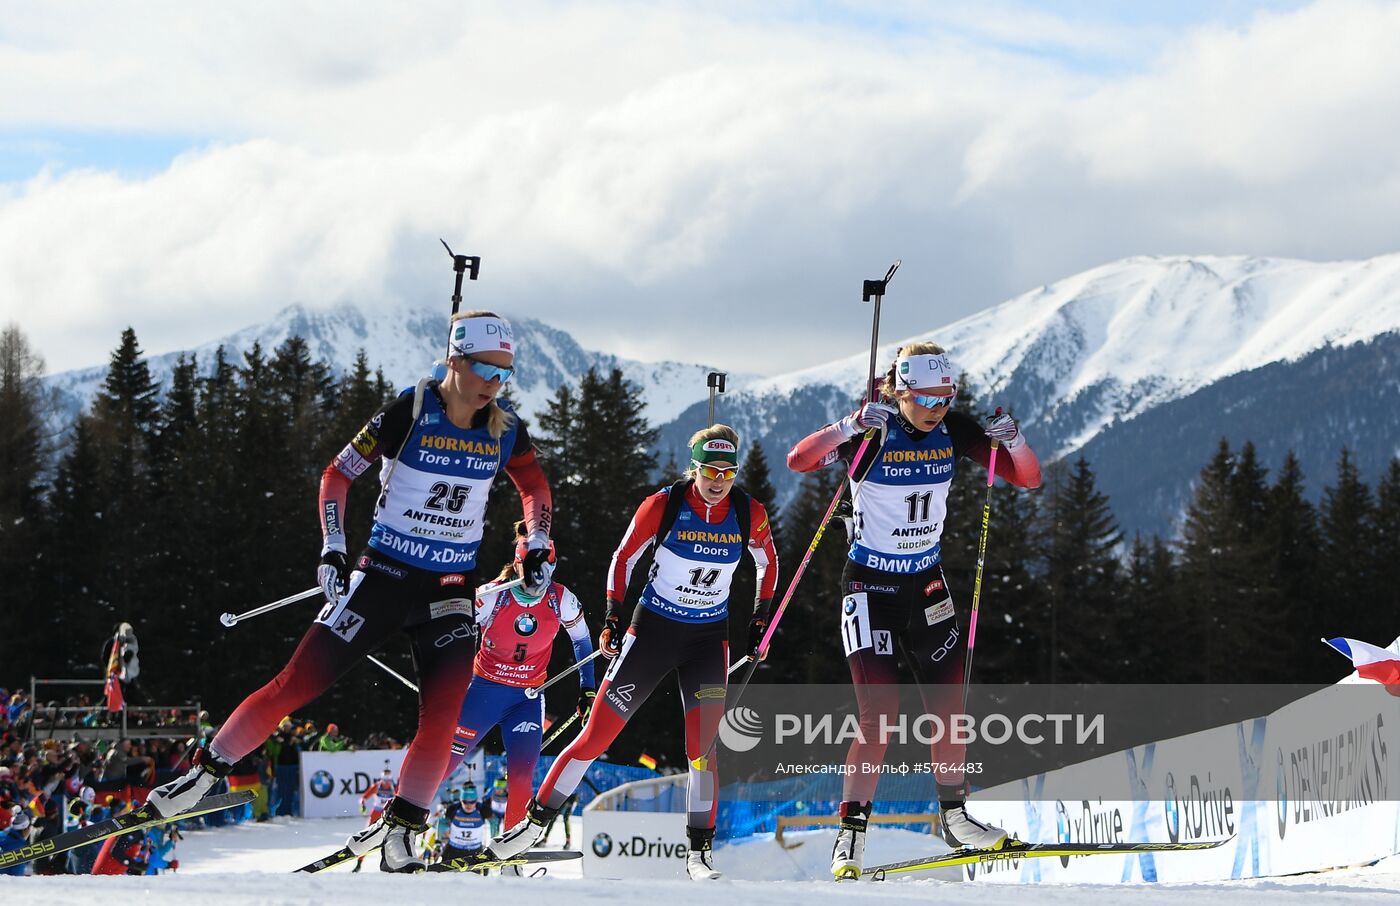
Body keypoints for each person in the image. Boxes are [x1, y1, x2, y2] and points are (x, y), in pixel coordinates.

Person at [146, 311, 555, 873]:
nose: (493, 383)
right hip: (382, 578)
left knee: (442, 717)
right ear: (455, 360)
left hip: (450, 591)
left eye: (504, 373)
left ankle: (402, 832)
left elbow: (534, 485)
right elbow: (336, 475)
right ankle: (206, 770)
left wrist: (537, 542)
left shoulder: (505, 428)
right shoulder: (409, 412)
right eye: (485, 367)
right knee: (297, 683)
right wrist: (333, 548)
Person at [786, 342, 1042, 880]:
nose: (937, 409)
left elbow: (1027, 478)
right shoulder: (873, 431)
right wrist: (847, 426)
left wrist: (1014, 440)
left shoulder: (955, 429)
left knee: (949, 708)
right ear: (900, 390)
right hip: (870, 587)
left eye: (946, 398)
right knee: (879, 714)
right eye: (926, 398)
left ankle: (955, 818)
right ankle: (851, 833)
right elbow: (799, 460)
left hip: (927, 583)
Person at [486, 424, 779, 881]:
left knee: (702, 750)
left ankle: (699, 851)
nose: (718, 481)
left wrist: (760, 617)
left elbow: (768, 562)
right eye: (709, 471)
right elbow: (624, 558)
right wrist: (612, 616)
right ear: (694, 468)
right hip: (653, 631)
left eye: (728, 471)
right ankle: (533, 825)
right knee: (596, 736)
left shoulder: (748, 512)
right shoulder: (663, 505)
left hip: (708, 640)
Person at [440, 523, 596, 833]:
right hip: (484, 692)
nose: (541, 578)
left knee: (522, 777)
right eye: (535, 568)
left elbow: (582, 641)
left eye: (548, 568)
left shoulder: (560, 598)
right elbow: (452, 635)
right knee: (444, 765)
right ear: (519, 563)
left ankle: (509, 852)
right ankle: (400, 820)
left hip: (526, 698)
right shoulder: (491, 596)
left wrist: (587, 689)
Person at [354, 767, 398, 873]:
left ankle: (391, 863)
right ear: (382, 779)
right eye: (385, 780)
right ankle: (359, 864)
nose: (387, 783)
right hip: (376, 813)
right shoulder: (377, 786)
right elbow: (363, 798)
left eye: (388, 781)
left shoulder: (394, 786)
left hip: (388, 814)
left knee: (391, 838)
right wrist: (362, 805)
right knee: (366, 837)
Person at [439, 784, 491, 866]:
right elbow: (442, 823)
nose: (468, 805)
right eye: (465, 802)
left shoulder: (483, 810)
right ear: (460, 800)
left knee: (473, 878)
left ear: (476, 800)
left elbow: (494, 825)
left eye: (472, 802)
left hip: (474, 852)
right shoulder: (453, 809)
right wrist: (438, 844)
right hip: (453, 851)